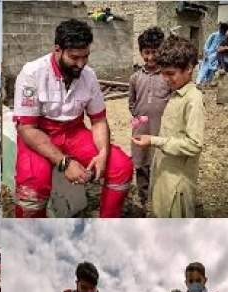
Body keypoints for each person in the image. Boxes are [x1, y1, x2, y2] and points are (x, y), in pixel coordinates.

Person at [12, 19, 133, 218]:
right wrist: (65, 163)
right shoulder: (32, 73)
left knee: (121, 166)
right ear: (57, 50)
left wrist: (102, 154)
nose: (81, 64)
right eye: (74, 57)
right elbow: (27, 129)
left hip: (74, 131)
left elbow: (98, 120)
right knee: (32, 189)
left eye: (85, 57)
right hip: (38, 133)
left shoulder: (89, 76)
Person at [132, 36, 204, 218]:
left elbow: (194, 144)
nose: (164, 79)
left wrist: (155, 140)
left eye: (170, 74)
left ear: (188, 69)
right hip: (165, 175)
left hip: (177, 183)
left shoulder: (193, 99)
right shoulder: (176, 93)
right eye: (162, 73)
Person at [129, 27, 171, 210]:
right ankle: (143, 195)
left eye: (155, 52)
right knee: (141, 162)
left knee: (160, 162)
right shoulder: (135, 77)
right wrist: (138, 120)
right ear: (141, 53)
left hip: (161, 128)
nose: (151, 57)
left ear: (161, 51)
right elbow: (131, 103)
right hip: (141, 127)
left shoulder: (168, 76)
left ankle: (160, 196)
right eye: (147, 52)